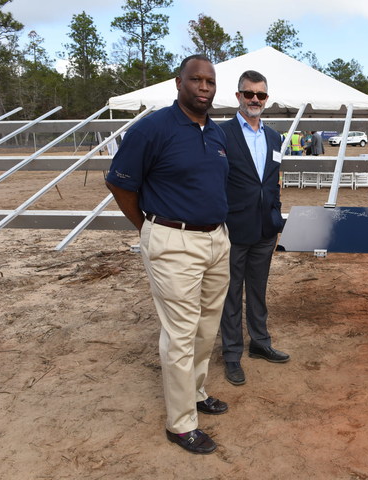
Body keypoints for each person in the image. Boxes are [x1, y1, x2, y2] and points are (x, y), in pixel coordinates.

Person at [105, 55, 230, 455]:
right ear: (179, 83)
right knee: (179, 333)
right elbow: (120, 183)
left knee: (207, 327)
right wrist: (148, 228)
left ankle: (194, 392)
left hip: (216, 240)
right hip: (172, 241)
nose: (204, 87)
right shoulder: (152, 129)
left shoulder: (216, 133)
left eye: (210, 81)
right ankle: (180, 424)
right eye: (196, 80)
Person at [219, 70, 290, 387]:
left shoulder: (275, 137)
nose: (255, 100)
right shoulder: (221, 134)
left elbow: (272, 180)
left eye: (261, 95)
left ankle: (260, 342)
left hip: (265, 228)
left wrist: (275, 213)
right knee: (231, 294)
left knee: (258, 290)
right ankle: (232, 354)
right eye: (249, 94)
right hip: (233, 228)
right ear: (238, 97)